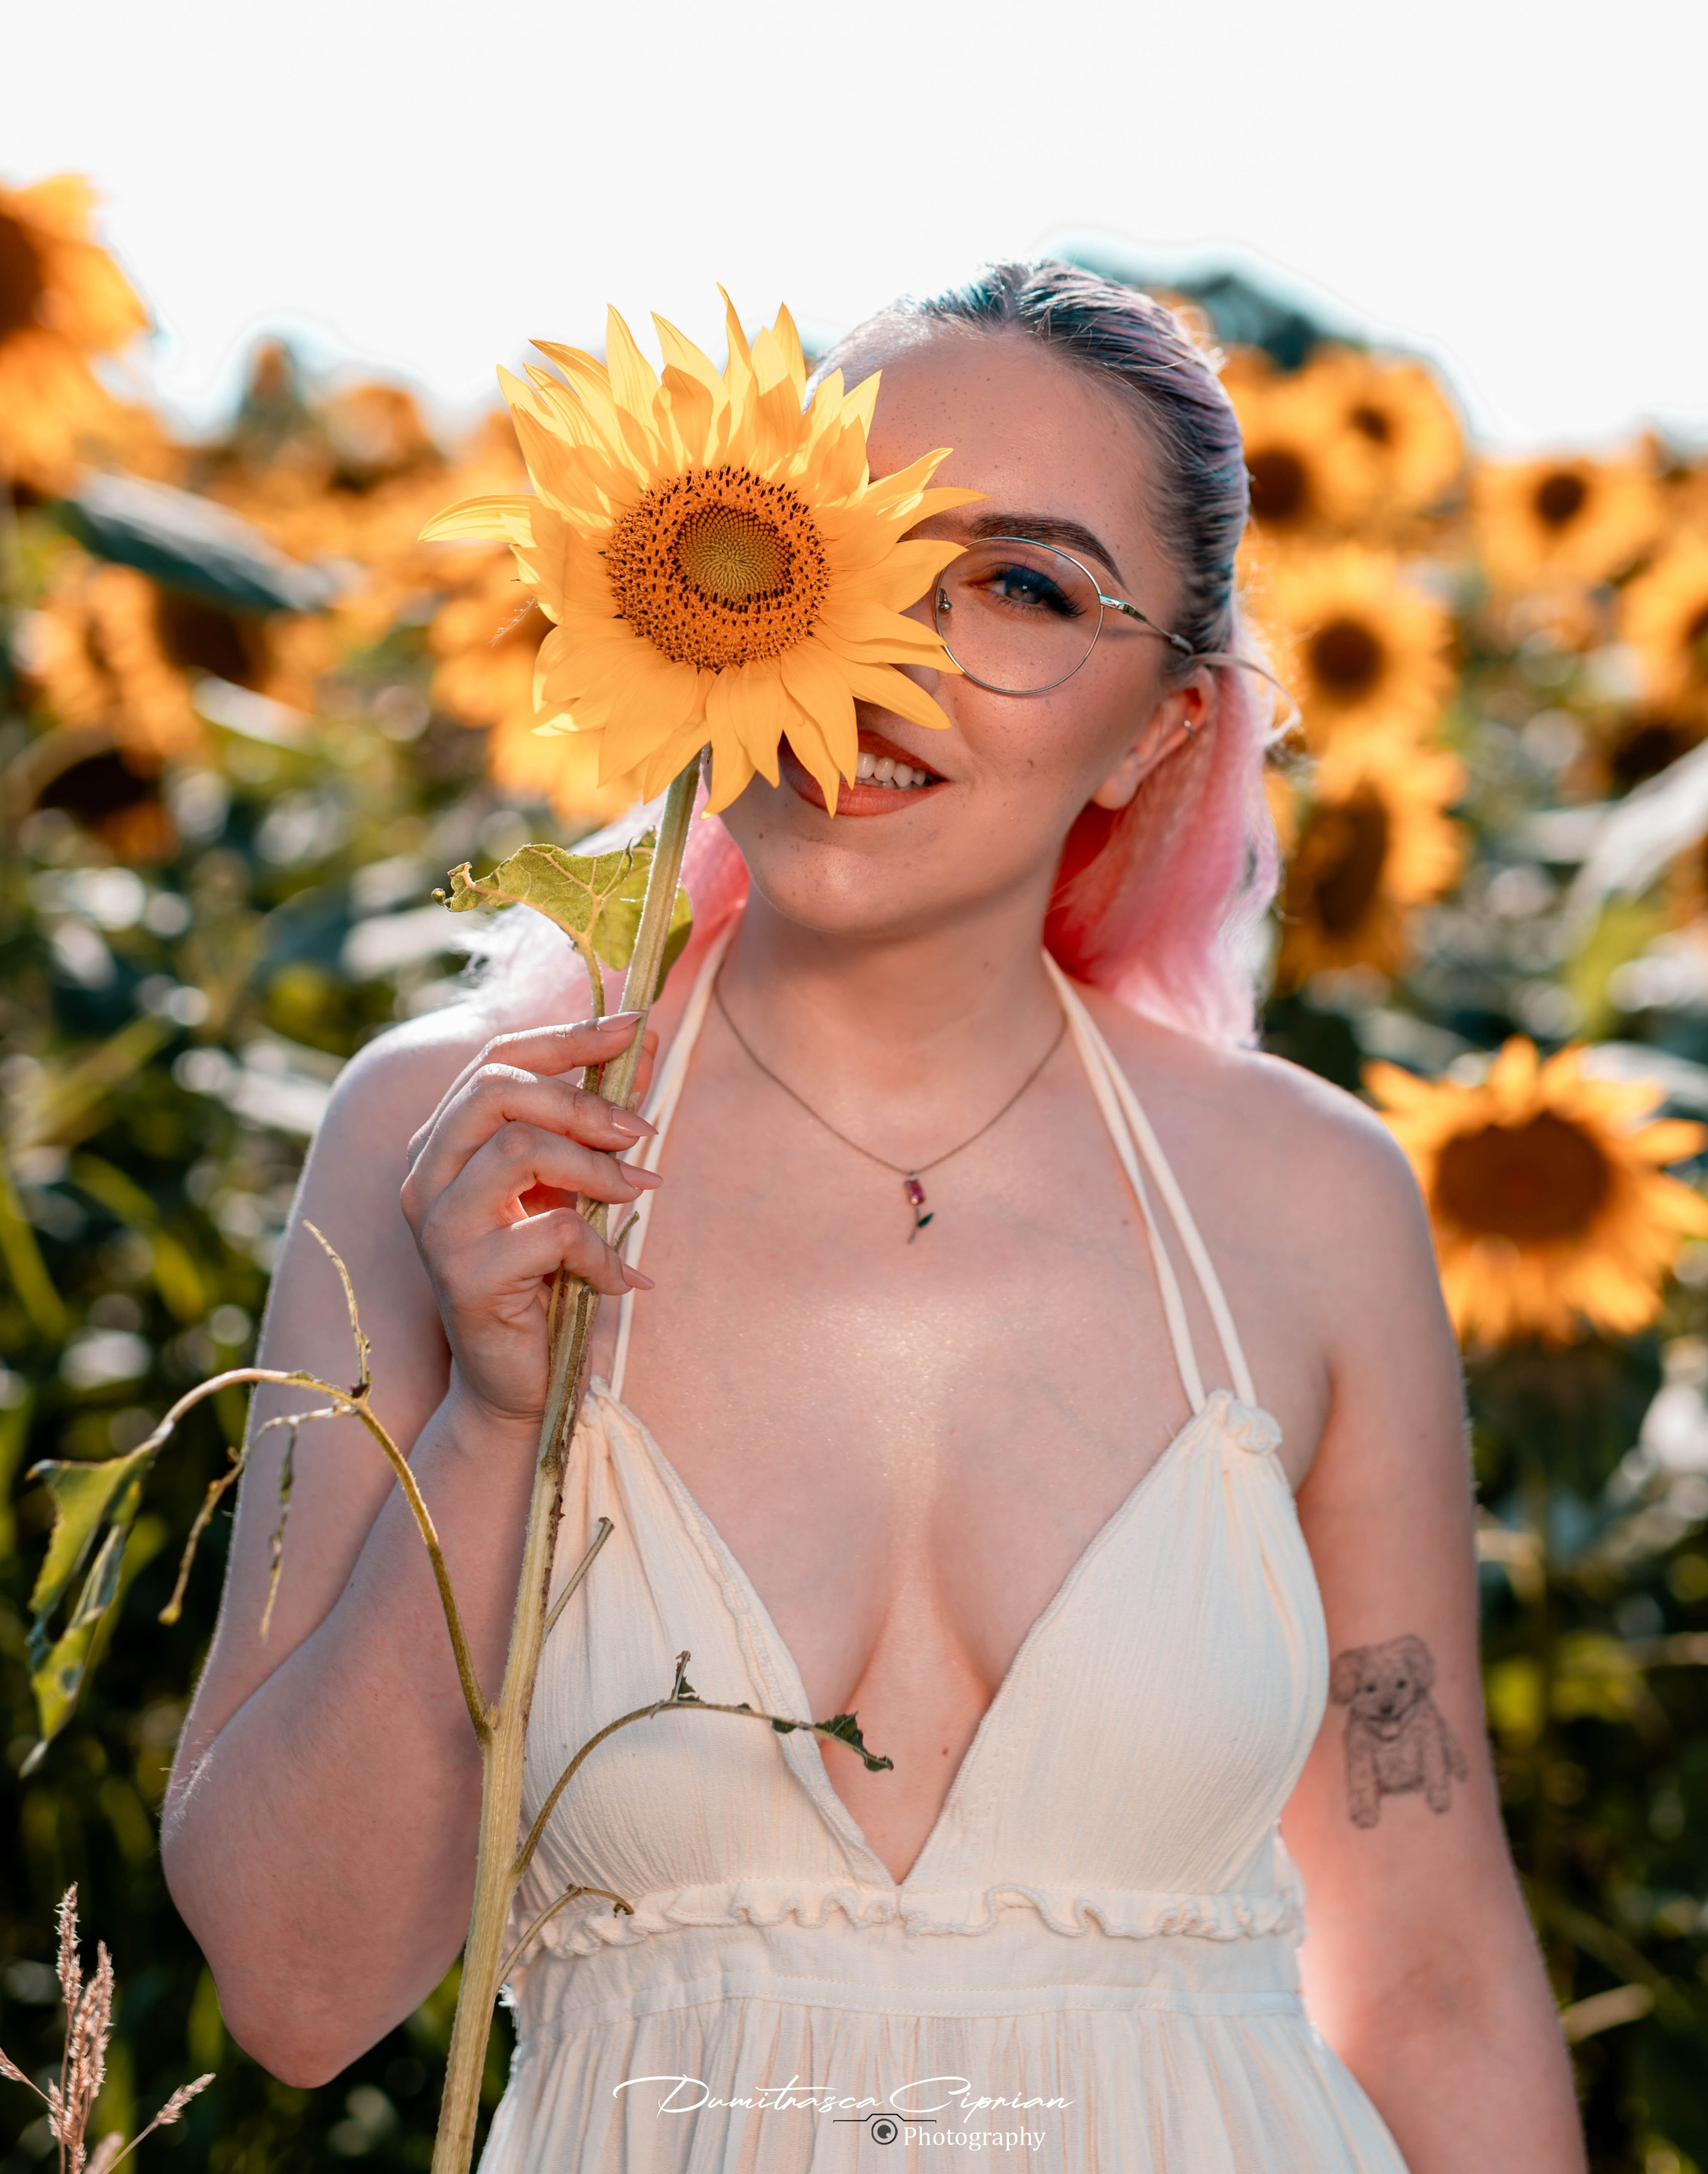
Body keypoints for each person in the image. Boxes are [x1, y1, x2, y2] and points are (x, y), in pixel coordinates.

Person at [162, 263, 1584, 2171]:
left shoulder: (1312, 1198)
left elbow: (1429, 1974)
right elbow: (298, 1989)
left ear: (1163, 727)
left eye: (1019, 584)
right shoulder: (459, 1143)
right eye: (848, 549)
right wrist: (496, 1424)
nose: (883, 663)